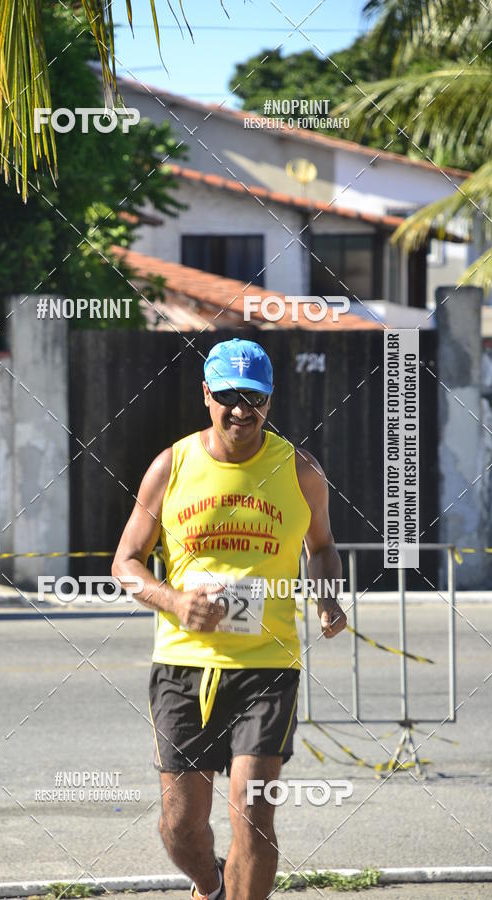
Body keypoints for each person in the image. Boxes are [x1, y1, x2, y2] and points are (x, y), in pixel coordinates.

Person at [112, 338, 347, 900]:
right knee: (179, 823)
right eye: (228, 395)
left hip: (268, 667)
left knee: (253, 815)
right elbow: (125, 563)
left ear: (271, 399)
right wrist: (172, 601)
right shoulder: (173, 465)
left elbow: (321, 546)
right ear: (206, 395)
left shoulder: (301, 471)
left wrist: (328, 596)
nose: (241, 408)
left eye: (254, 396)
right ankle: (210, 884)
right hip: (182, 665)